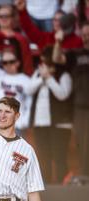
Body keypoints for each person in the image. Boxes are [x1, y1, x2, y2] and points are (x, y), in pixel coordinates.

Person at [29, 46, 72, 183]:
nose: (42, 66)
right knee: (43, 156)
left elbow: (63, 94)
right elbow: (28, 89)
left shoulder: (63, 75)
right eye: (41, 63)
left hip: (59, 125)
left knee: (59, 157)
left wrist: (49, 79)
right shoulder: (38, 75)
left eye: (45, 63)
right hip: (40, 124)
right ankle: (46, 186)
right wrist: (42, 79)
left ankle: (61, 186)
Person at [53, 21, 89, 177]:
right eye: (85, 34)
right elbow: (56, 58)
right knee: (82, 142)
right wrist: (58, 41)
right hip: (81, 106)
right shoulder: (76, 53)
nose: (87, 37)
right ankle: (85, 176)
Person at [0, 49, 34, 133]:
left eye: (11, 62)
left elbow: (30, 103)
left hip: (15, 127)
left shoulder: (26, 80)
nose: (8, 65)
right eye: (5, 63)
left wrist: (24, 122)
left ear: (18, 63)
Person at [16, 0, 83, 51]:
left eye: (61, 20)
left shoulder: (77, 41)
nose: (58, 23)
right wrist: (22, 11)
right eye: (55, 20)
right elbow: (29, 28)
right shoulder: (45, 38)